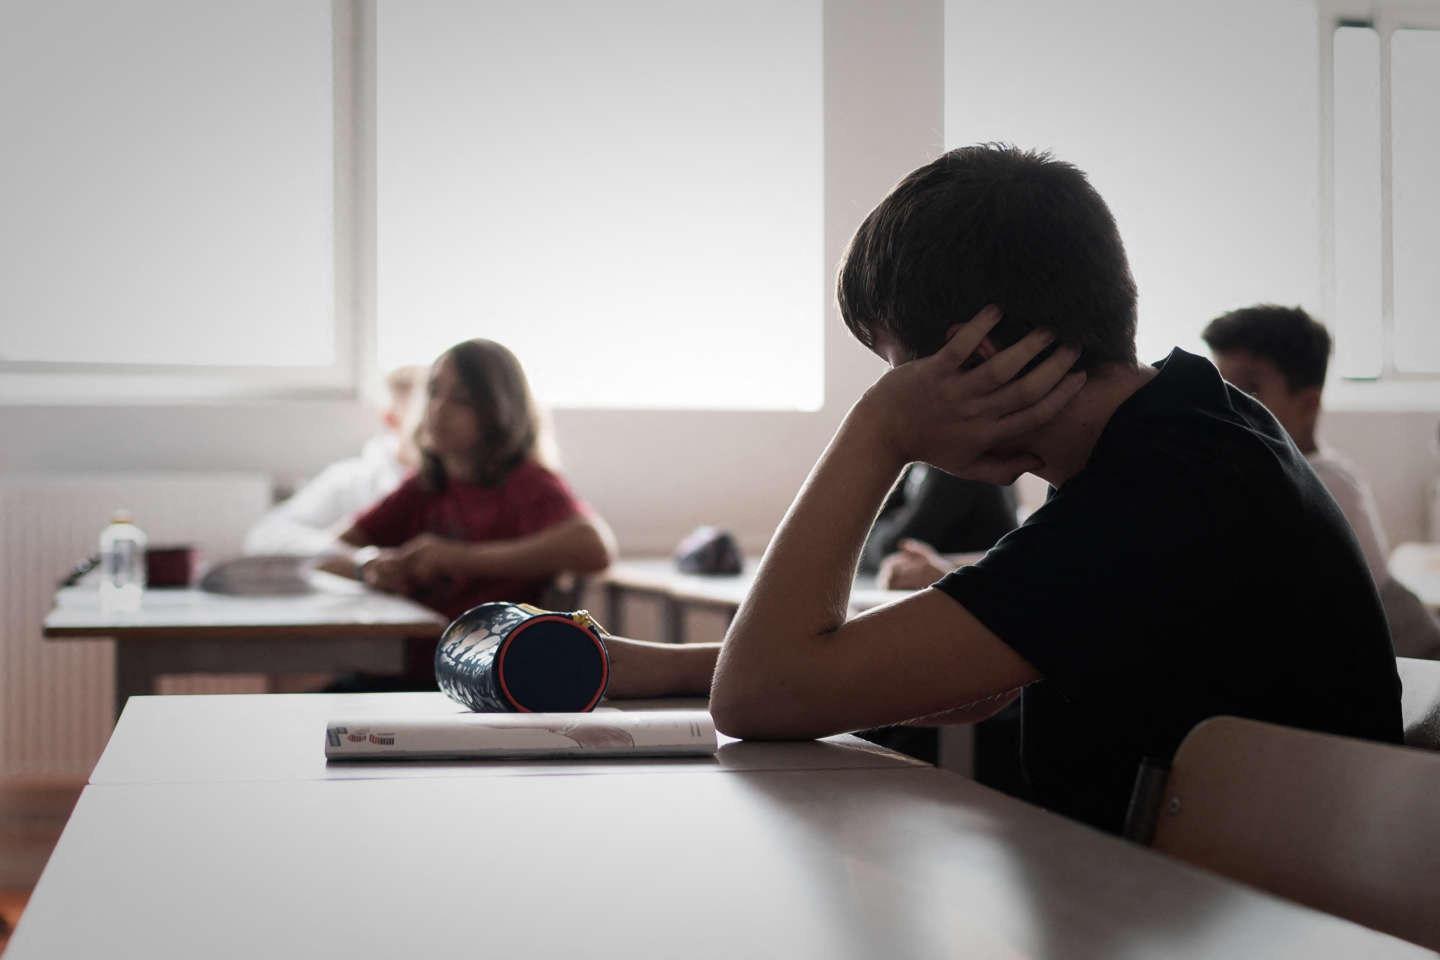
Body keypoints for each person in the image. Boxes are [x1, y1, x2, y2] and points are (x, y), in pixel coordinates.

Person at [683, 143, 1403, 835]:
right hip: (1159, 903)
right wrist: (675, 667)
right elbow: (974, 675)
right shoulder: (1181, 428)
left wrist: (876, 433)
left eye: (898, 371)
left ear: (977, 358)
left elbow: (757, 694)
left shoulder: (1166, 486)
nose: (896, 395)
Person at [320, 338, 617, 685]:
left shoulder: (526, 484)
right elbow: (327, 553)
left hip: (473, 682)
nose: (439, 409)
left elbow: (595, 546)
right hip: (399, 665)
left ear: (499, 411)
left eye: (462, 400)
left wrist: (457, 558)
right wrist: (369, 565)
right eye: (433, 392)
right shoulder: (425, 486)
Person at [1202, 304, 1440, 660]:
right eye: (1220, 390)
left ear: (1308, 406)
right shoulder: (1268, 469)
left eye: (1249, 392)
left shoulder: (1324, 481)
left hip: (1408, 653)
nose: (1228, 409)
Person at [244, 365, 427, 556]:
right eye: (425, 409)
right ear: (391, 418)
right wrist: (355, 559)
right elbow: (264, 538)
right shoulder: (349, 480)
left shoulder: (451, 482)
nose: (438, 418)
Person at [859, 464, 1017, 589]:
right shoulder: (914, 464)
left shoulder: (959, 463)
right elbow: (864, 530)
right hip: (964, 586)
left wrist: (894, 519)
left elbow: (890, 547)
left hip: (988, 599)